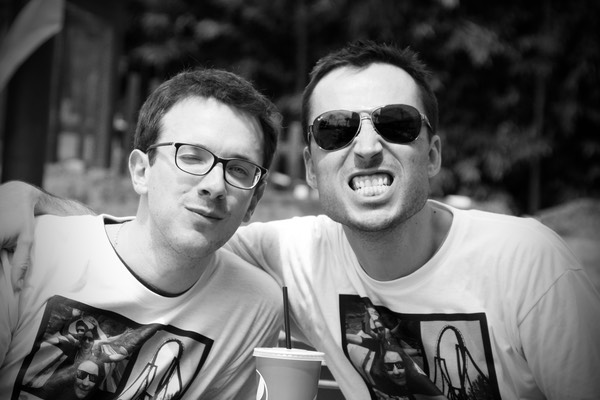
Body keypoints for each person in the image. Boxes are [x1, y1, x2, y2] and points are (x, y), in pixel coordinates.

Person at [2, 40, 600, 399]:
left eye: (395, 124)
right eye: (337, 130)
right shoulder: (289, 256)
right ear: (311, 168)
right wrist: (36, 204)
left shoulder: (528, 263)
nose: (368, 147)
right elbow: (158, 237)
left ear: (434, 154)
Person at [0, 68, 284, 399]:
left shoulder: (253, 307)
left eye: (238, 169)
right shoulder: (30, 252)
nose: (215, 186)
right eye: (192, 157)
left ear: (254, 201)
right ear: (140, 171)